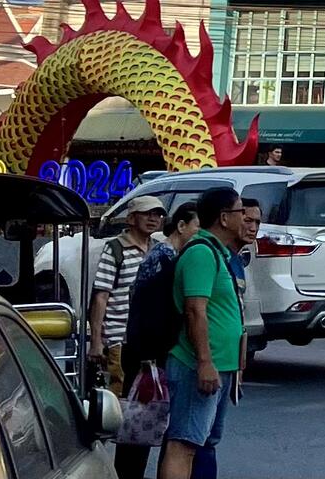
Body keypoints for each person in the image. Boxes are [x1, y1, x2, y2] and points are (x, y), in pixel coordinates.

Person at [159, 185, 246, 479]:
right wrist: (205, 362)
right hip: (194, 364)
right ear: (224, 218)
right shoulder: (200, 253)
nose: (245, 218)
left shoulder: (217, 253)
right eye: (241, 211)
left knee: (200, 442)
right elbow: (196, 310)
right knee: (183, 444)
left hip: (219, 366)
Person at [116, 204, 200, 479]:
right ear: (182, 226)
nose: (199, 234)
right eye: (197, 227)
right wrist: (150, 354)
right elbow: (151, 309)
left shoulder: (170, 255)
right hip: (146, 353)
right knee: (141, 422)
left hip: (147, 349)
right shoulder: (164, 257)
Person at [90, 196, 167, 394]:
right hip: (119, 339)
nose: (153, 218)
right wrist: (96, 341)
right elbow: (101, 296)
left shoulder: (158, 249)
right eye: (147, 214)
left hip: (148, 340)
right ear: (132, 219)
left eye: (157, 214)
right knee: (120, 393)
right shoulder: (115, 249)